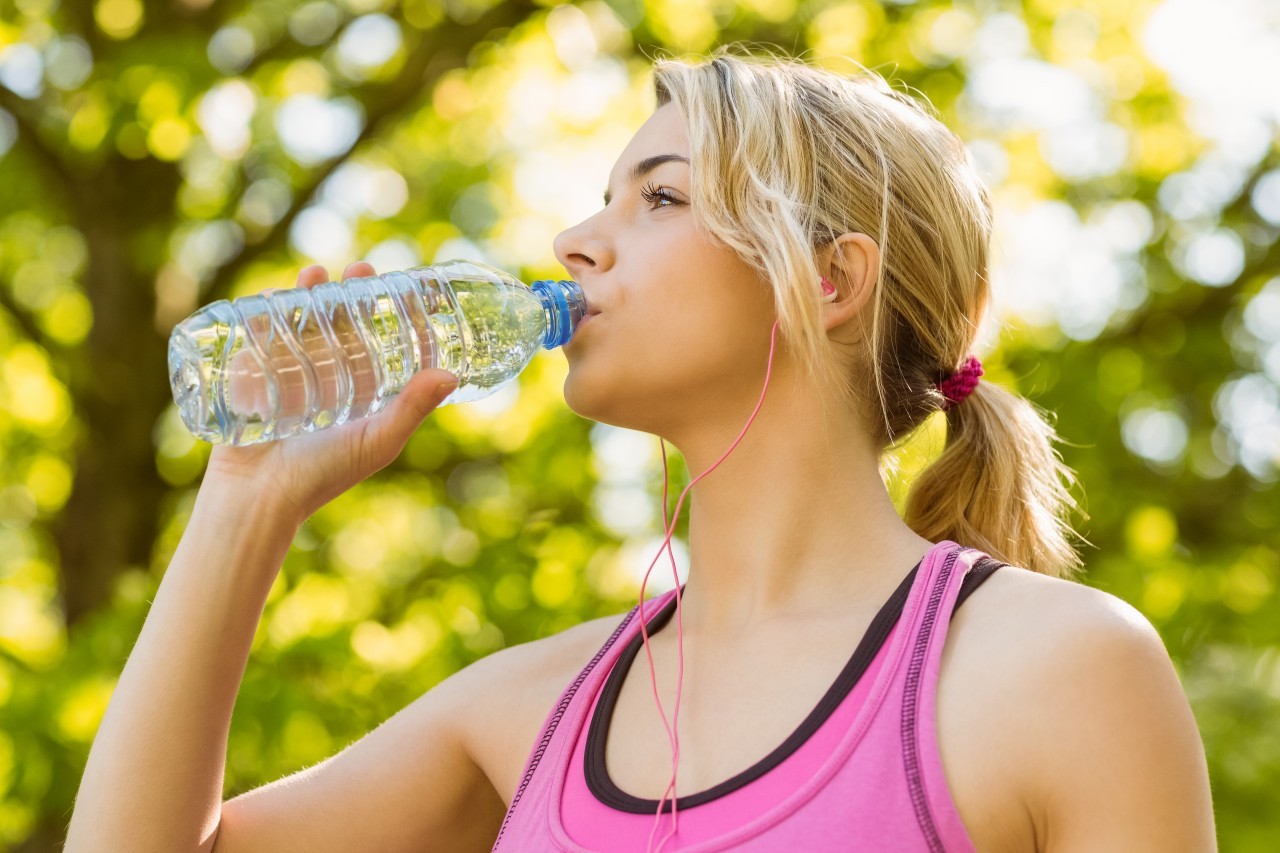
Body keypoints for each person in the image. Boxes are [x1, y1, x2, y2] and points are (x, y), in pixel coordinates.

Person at [67, 50, 1217, 852]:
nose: (574, 242)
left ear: (827, 277)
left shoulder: (1053, 673)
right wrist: (246, 501)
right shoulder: (531, 712)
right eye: (598, 199)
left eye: (657, 198)